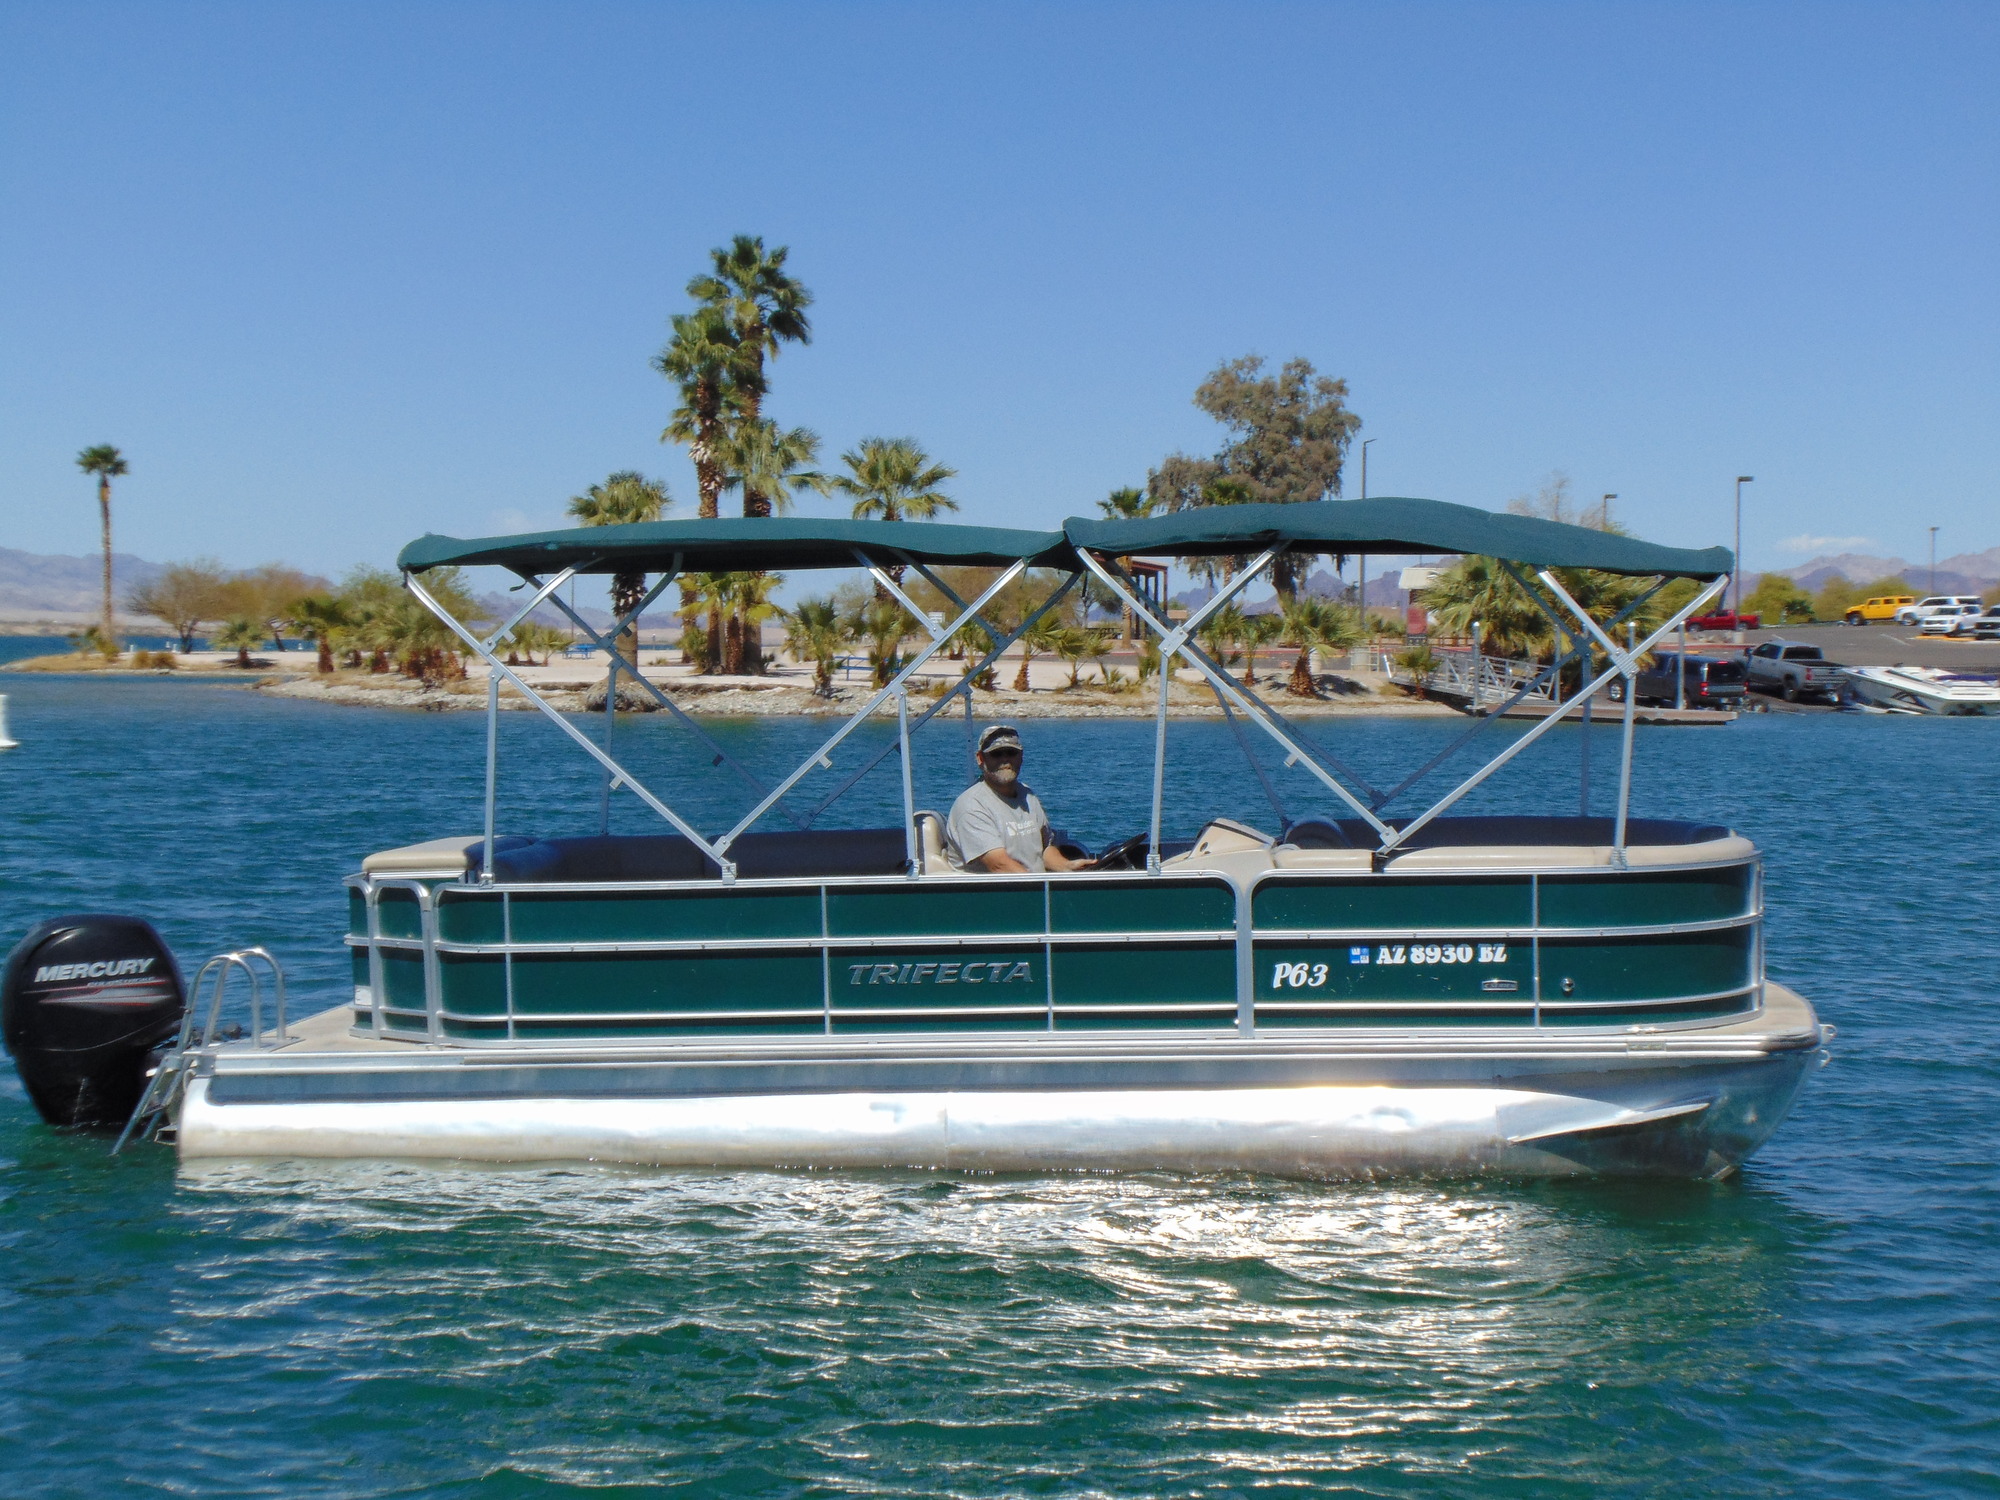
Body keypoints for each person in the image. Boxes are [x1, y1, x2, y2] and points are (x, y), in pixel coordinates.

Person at [946, 724, 1096, 874]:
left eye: (1011, 753)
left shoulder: (1027, 795)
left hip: (1032, 884)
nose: (1005, 760)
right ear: (980, 759)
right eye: (996, 754)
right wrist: (1041, 884)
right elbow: (1000, 866)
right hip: (1002, 887)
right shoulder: (971, 806)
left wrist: (1068, 866)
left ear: (1021, 756)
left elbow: (1044, 850)